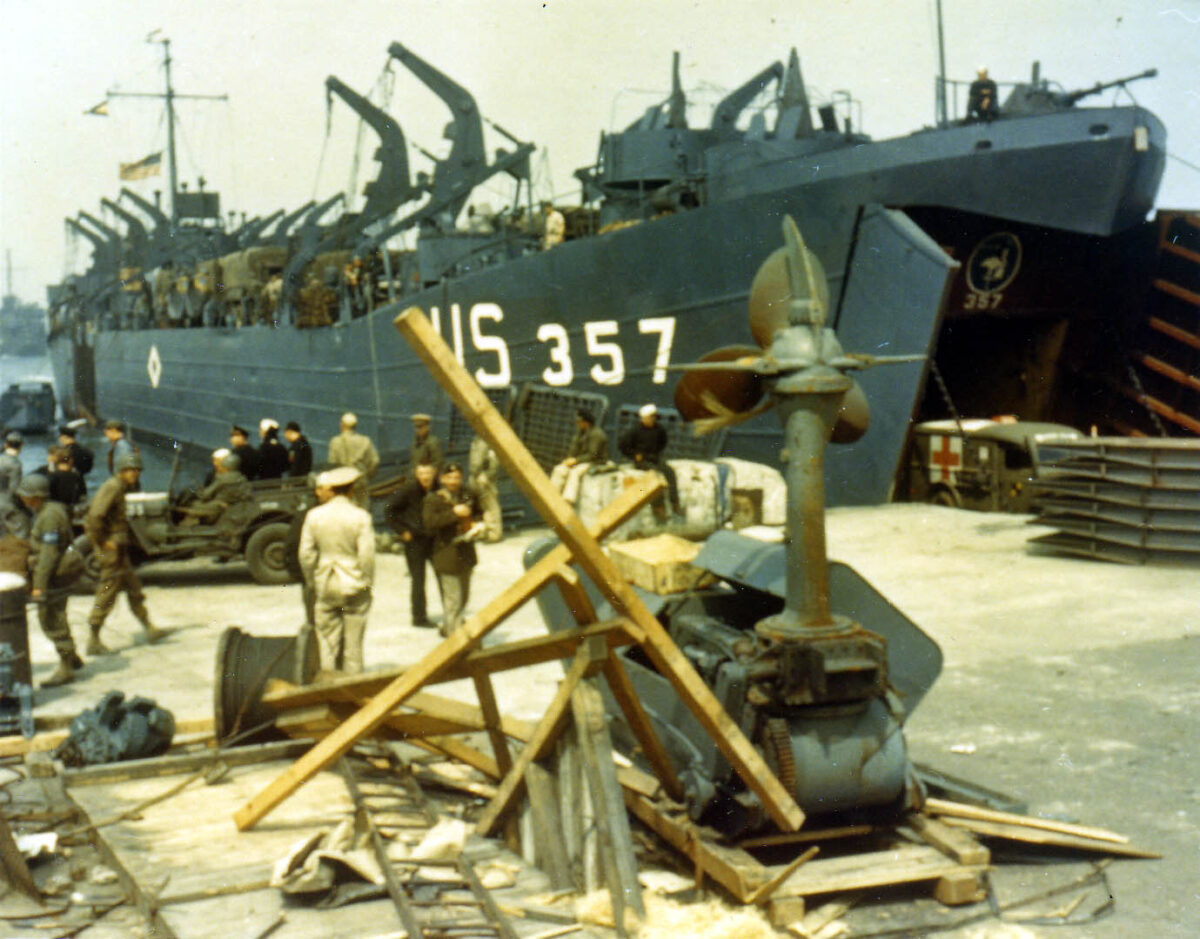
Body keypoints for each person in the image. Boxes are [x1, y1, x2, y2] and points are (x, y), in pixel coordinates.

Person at [84, 452, 165, 654]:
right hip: (111, 553)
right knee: (107, 592)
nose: (135, 474)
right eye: (131, 470)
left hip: (119, 551)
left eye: (137, 471)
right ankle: (93, 638)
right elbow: (94, 517)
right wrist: (103, 542)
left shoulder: (119, 487)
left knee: (134, 588)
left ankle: (149, 627)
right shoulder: (112, 487)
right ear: (122, 470)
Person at [298, 466, 375, 675]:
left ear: (331, 489)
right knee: (354, 646)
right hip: (353, 583)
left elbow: (305, 554)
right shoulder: (361, 516)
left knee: (326, 643)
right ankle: (354, 691)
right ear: (350, 490)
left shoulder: (314, 516)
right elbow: (366, 556)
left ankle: (327, 686)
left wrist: (312, 580)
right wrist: (367, 581)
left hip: (326, 582)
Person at [16, 475, 84, 687]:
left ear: (34, 497)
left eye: (25, 496)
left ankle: (66, 667)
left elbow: (48, 554)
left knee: (51, 618)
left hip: (54, 575)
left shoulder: (49, 517)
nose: (22, 499)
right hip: (56, 572)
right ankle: (72, 658)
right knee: (57, 615)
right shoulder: (51, 510)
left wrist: (39, 586)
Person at [423, 462, 480, 636]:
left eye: (457, 477)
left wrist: (476, 524)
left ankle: (448, 628)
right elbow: (430, 522)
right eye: (449, 477)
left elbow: (478, 512)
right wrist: (454, 513)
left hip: (466, 553)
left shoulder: (468, 495)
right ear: (442, 479)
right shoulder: (434, 499)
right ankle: (455, 641)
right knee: (453, 601)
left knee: (463, 599)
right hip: (446, 554)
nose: (453, 481)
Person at [386, 461, 438, 627]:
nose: (425, 477)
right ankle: (419, 617)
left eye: (428, 473)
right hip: (415, 540)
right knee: (418, 580)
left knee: (444, 576)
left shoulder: (438, 488)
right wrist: (402, 531)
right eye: (422, 474)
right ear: (417, 474)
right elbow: (389, 510)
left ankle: (452, 615)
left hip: (434, 539)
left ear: (434, 473)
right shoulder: (408, 490)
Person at [618, 403, 683, 517]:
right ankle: (658, 507)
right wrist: (634, 455)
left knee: (669, 472)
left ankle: (675, 503)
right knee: (654, 475)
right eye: (649, 417)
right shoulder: (635, 430)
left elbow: (663, 442)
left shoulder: (659, 429)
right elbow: (623, 446)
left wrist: (656, 453)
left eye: (653, 417)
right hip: (642, 461)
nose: (651, 420)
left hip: (654, 458)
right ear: (643, 418)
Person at [550, 409, 609, 501]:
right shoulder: (580, 433)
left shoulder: (597, 434)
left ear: (586, 422)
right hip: (580, 460)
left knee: (575, 472)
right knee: (559, 469)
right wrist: (569, 459)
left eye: (579, 422)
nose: (577, 424)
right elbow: (574, 449)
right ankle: (551, 494)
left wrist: (576, 461)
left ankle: (568, 499)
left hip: (595, 462)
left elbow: (593, 455)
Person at [185, 452, 252, 525]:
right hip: (233, 509)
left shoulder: (222, 479)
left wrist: (198, 490)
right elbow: (246, 495)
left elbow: (205, 496)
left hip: (217, 508)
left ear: (226, 466)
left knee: (191, 503)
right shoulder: (243, 479)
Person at [328, 412, 380, 508]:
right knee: (363, 509)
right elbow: (375, 461)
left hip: (342, 483)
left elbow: (332, 464)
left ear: (342, 425)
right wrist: (367, 475)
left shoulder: (335, 442)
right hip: (360, 481)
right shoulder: (365, 441)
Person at [468, 436, 503, 543]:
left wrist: (488, 475)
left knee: (491, 507)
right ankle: (484, 532)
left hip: (484, 478)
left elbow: (494, 461)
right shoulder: (476, 440)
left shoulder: (490, 440)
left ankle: (494, 534)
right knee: (481, 507)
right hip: (475, 476)